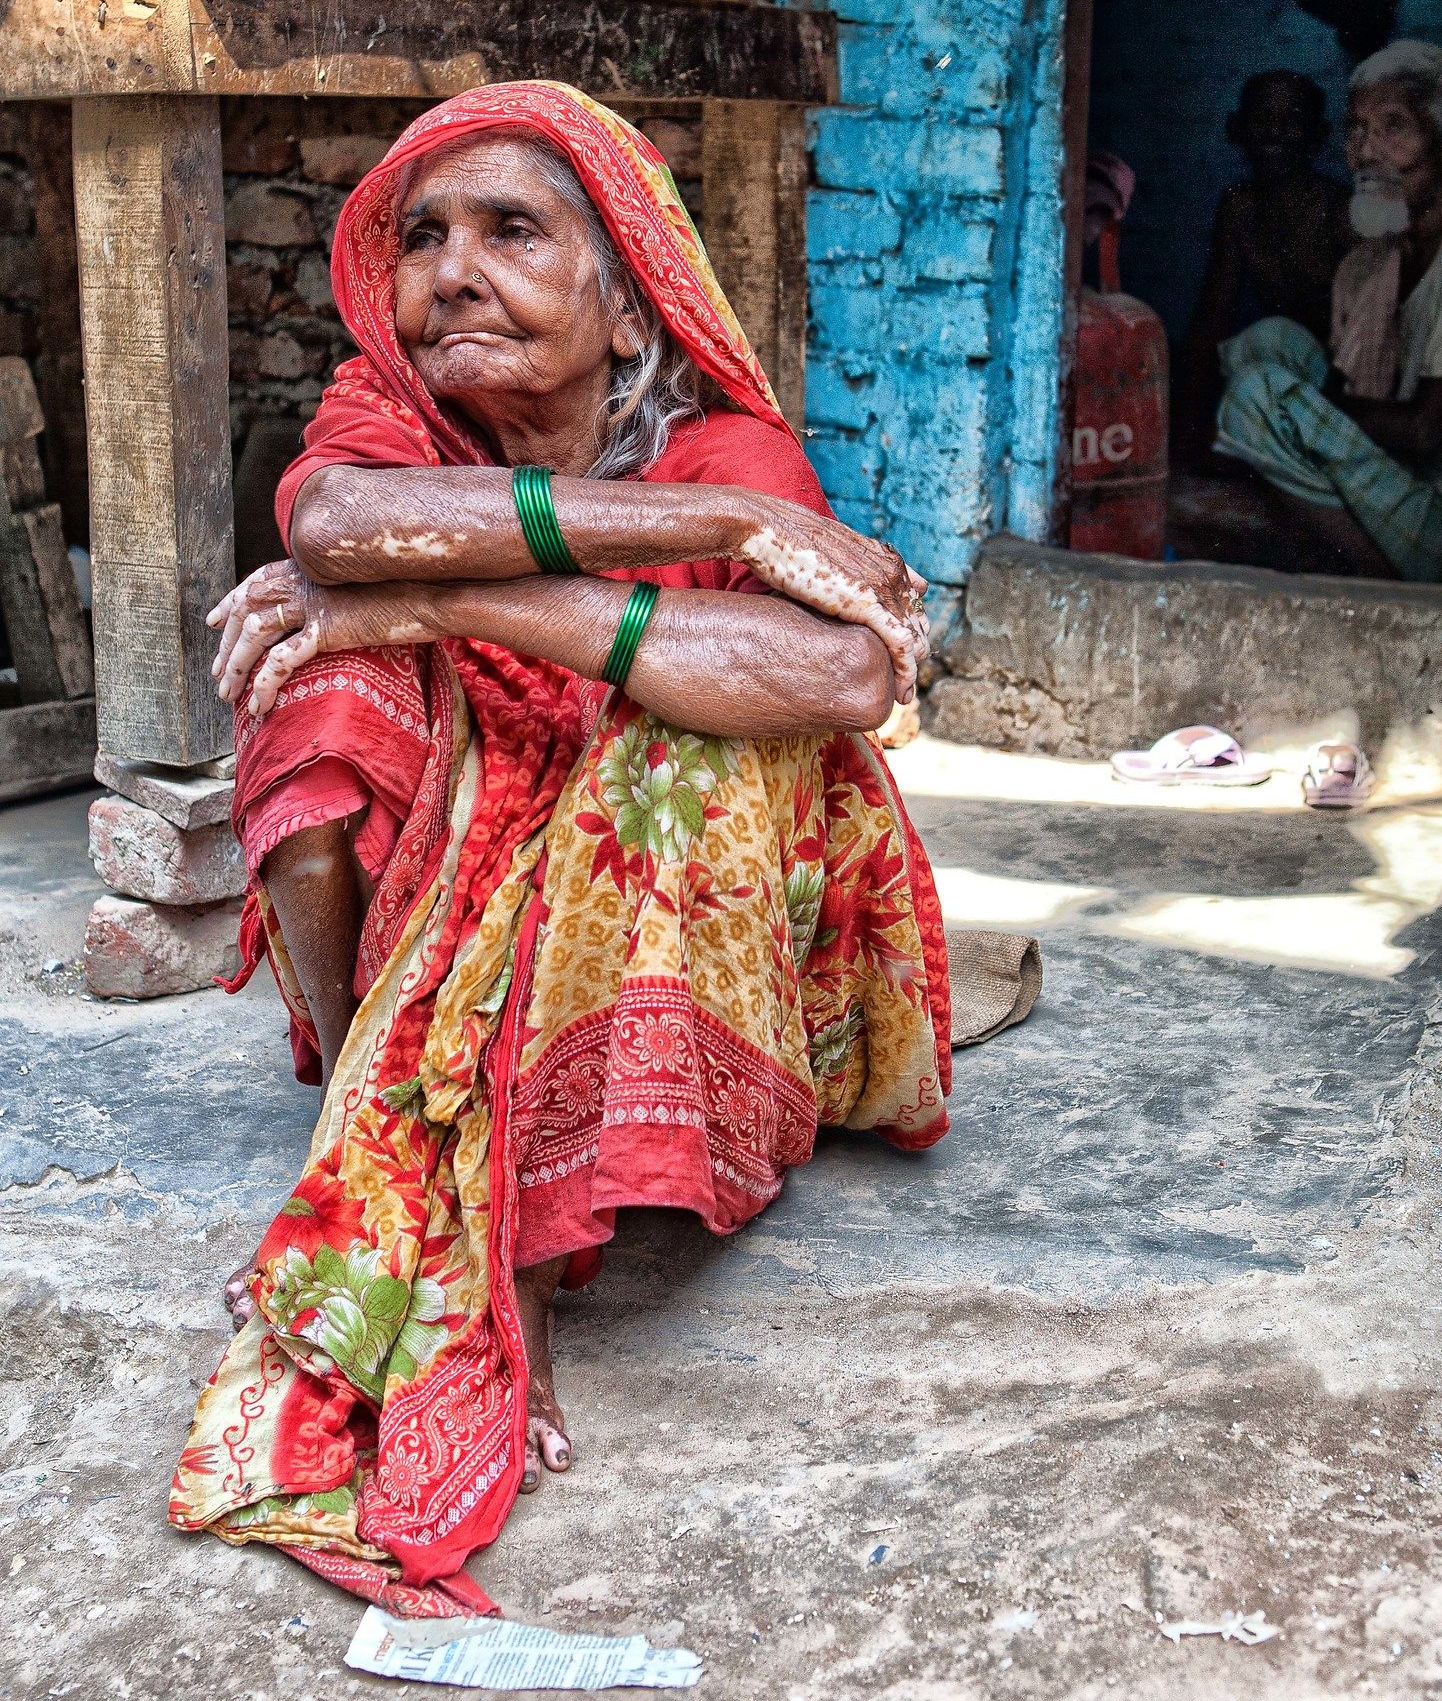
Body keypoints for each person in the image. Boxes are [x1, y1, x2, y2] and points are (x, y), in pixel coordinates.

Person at [170, 82, 950, 1615]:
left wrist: (449, 597)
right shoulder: (393, 423)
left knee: (672, 759)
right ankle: (368, 1103)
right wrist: (418, 599)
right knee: (317, 685)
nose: (451, 271)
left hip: (677, 886)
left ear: (624, 295)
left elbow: (842, 677)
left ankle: (544, 1184)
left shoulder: (724, 438)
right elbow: (333, 533)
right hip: (457, 846)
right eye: (424, 238)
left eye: (512, 231)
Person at [1212, 41, 1442, 580]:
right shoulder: (1372, 261)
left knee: (1260, 396)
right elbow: (1361, 400)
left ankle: (1375, 580)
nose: (1368, 151)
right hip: (1404, 488)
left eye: (1394, 127)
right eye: (1357, 129)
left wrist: (1304, 410)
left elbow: (1427, 431)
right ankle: (1350, 548)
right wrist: (1311, 411)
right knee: (1267, 343)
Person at [1173, 70, 1349, 465]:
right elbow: (1213, 316)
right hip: (1283, 375)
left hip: (1344, 383)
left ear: (1318, 136)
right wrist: (1187, 429)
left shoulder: (1338, 209)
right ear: (1236, 129)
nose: (1276, 132)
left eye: (1293, 120)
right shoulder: (1240, 205)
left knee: (1267, 342)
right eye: (1263, 117)